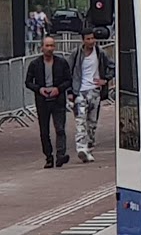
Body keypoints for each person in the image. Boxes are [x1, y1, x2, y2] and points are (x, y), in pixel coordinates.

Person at [25, 37, 72, 169]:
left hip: (58, 100)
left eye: (52, 46)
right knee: (44, 131)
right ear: (42, 47)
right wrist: (40, 89)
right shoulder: (35, 64)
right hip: (43, 101)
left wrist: (59, 89)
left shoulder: (61, 63)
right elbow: (28, 82)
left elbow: (68, 80)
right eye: (47, 46)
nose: (50, 48)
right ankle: (48, 156)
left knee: (60, 128)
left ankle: (61, 155)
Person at [69, 29, 113, 163]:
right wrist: (70, 92)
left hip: (95, 92)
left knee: (92, 123)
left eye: (92, 39)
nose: (91, 41)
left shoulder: (100, 53)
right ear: (83, 40)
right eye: (88, 39)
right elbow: (68, 72)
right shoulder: (76, 54)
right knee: (80, 121)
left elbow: (112, 66)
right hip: (80, 92)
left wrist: (105, 79)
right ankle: (81, 148)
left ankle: (89, 148)